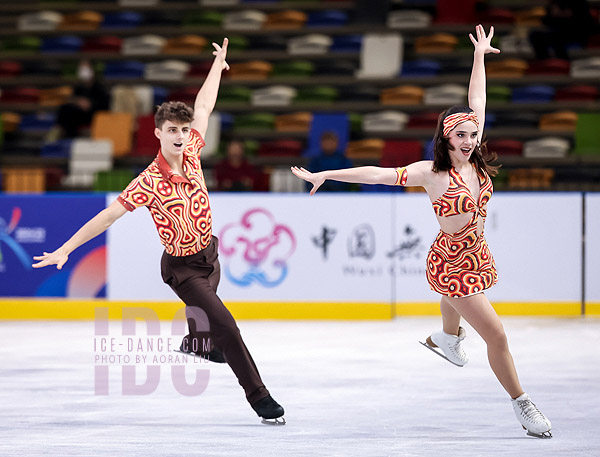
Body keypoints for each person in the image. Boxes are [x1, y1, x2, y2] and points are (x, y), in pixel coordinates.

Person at [291, 25, 552, 438]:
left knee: (459, 314)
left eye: (472, 134)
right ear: (446, 138)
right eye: (461, 135)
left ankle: (448, 339)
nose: (469, 140)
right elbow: (378, 175)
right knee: (497, 334)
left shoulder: (477, 159)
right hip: (452, 261)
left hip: (476, 253)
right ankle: (523, 403)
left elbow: (477, 100)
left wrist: (480, 56)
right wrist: (327, 173)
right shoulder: (431, 173)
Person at [32, 38, 285, 426]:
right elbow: (107, 217)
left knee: (207, 333)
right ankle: (260, 396)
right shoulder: (147, 181)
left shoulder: (195, 152)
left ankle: (196, 343)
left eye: (184, 129)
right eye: (173, 130)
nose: (181, 135)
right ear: (158, 133)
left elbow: (204, 106)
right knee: (227, 327)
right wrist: (66, 248)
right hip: (182, 269)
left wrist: (217, 66)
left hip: (210, 257)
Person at [529, 0, 594, 60]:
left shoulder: (579, 3)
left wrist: (567, 15)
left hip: (576, 33)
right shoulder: (555, 3)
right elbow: (546, 20)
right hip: (557, 32)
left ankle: (562, 61)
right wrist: (555, 15)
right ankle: (545, 61)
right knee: (535, 35)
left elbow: (587, 22)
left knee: (557, 39)